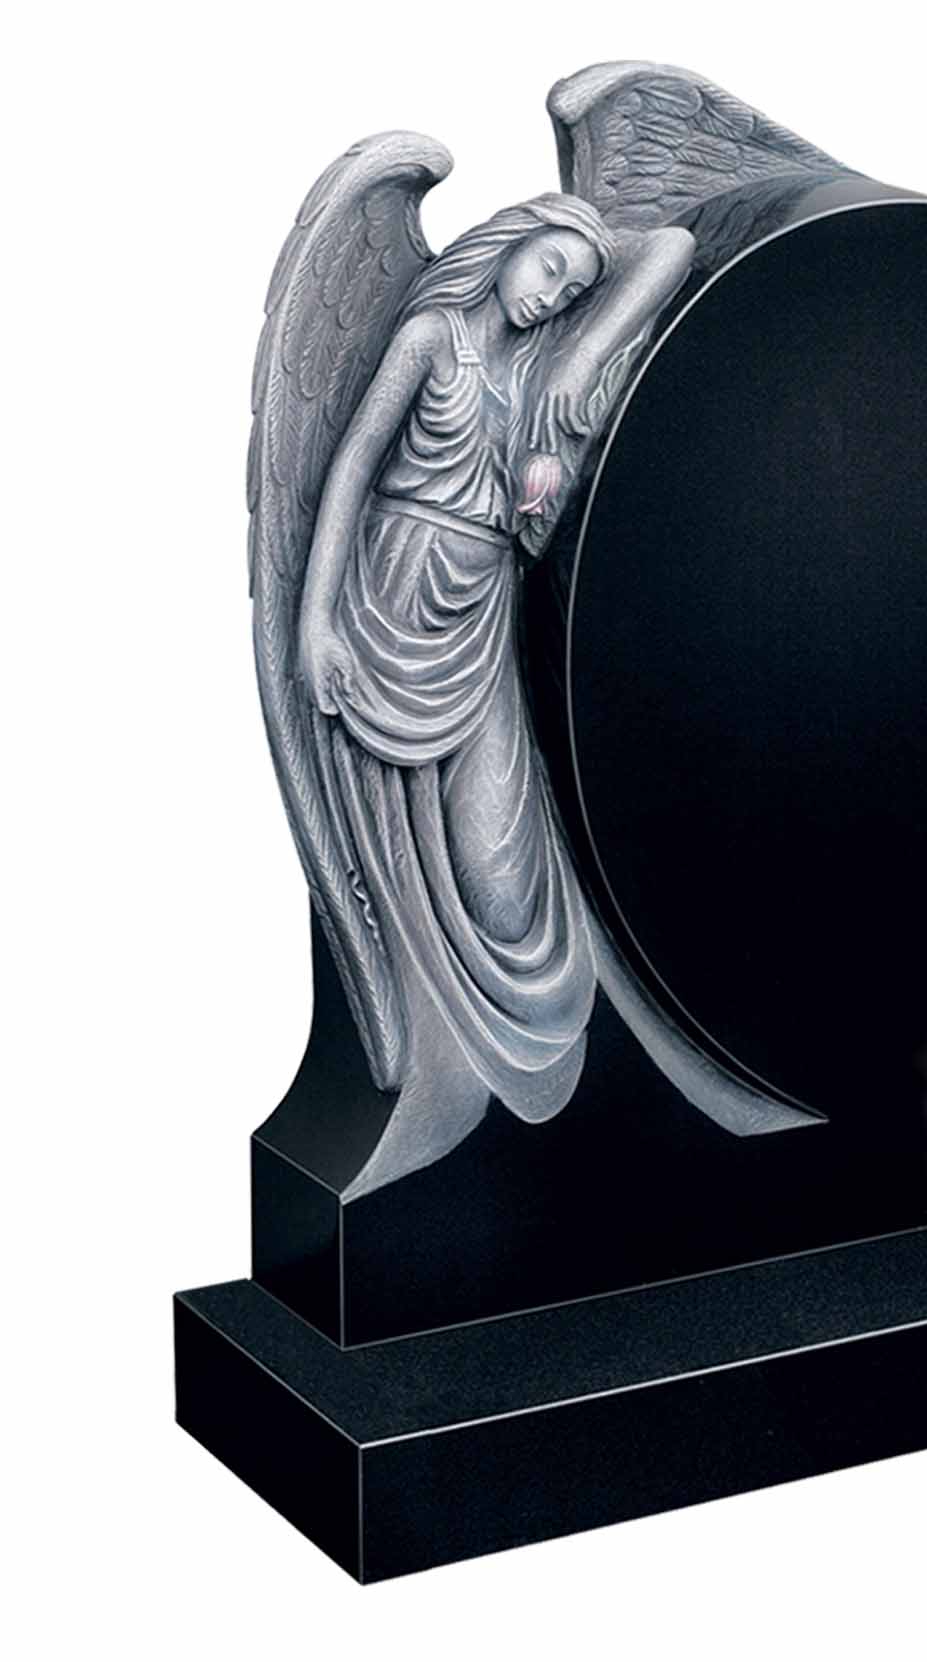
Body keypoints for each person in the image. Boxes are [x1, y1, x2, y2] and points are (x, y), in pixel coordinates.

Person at [294, 193, 695, 1196]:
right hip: (389, 600)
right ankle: (430, 1069)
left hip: (479, 618)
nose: (551, 295)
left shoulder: (541, 378)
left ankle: (533, 1060)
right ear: (509, 242)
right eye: (549, 266)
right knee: (389, 846)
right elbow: (348, 468)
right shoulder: (431, 337)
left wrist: (572, 380)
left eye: (572, 290)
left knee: (504, 879)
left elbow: (670, 245)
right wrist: (313, 621)